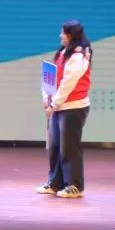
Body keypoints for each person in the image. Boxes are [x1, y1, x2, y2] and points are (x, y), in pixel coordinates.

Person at [38, 20, 92, 198]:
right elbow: (51, 78)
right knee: (55, 146)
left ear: (71, 35)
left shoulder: (79, 55)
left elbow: (68, 83)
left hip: (73, 107)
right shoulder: (63, 52)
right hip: (59, 106)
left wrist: (54, 104)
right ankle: (55, 183)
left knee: (69, 147)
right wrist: (46, 98)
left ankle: (75, 185)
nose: (60, 36)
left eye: (63, 33)